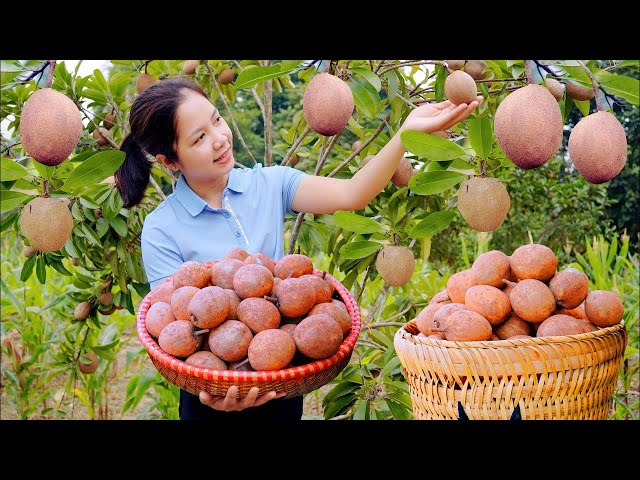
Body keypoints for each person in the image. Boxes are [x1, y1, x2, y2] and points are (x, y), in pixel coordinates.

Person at [115, 76, 480, 420]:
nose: (220, 139)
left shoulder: (269, 184)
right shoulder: (162, 228)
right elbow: (170, 329)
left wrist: (404, 135)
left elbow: (352, 193)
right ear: (170, 160)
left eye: (217, 120)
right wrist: (212, 393)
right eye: (198, 138)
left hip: (283, 380)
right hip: (211, 398)